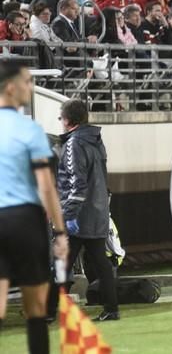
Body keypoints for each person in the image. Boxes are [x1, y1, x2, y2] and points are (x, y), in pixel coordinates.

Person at [0, 60, 68, 354]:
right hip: (23, 220)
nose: (32, 87)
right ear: (12, 87)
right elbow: (46, 186)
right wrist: (60, 232)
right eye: (28, 82)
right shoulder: (30, 130)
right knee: (36, 308)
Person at [56, 99, 120, 322]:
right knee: (100, 261)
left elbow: (77, 183)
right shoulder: (96, 141)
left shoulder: (74, 144)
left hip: (80, 214)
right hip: (98, 209)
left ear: (68, 120)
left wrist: (69, 214)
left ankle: (53, 311)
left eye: (61, 118)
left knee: (63, 262)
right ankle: (112, 308)